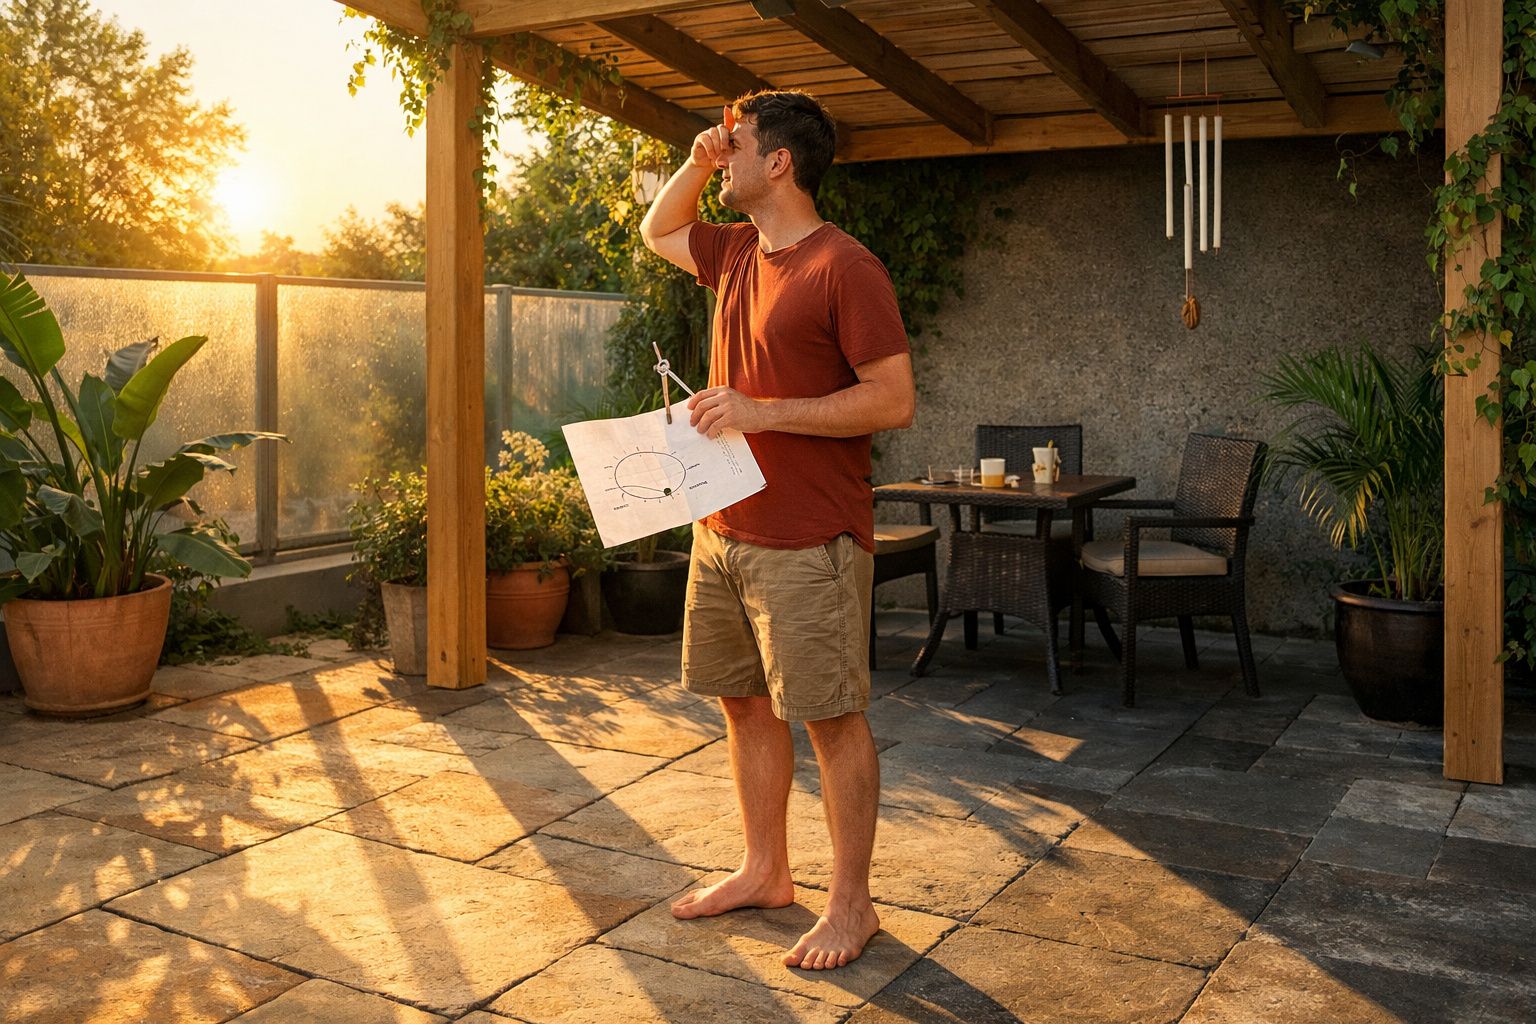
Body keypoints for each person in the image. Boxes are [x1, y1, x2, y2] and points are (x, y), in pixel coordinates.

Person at [638, 89, 915, 972]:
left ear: (780, 161)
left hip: (810, 540)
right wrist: (698, 160)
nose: (725, 154)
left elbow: (892, 400)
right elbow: (657, 228)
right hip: (723, 530)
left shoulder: (845, 267)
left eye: (739, 142)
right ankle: (766, 870)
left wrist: (762, 411)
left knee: (831, 719)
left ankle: (853, 905)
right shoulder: (734, 254)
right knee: (743, 703)